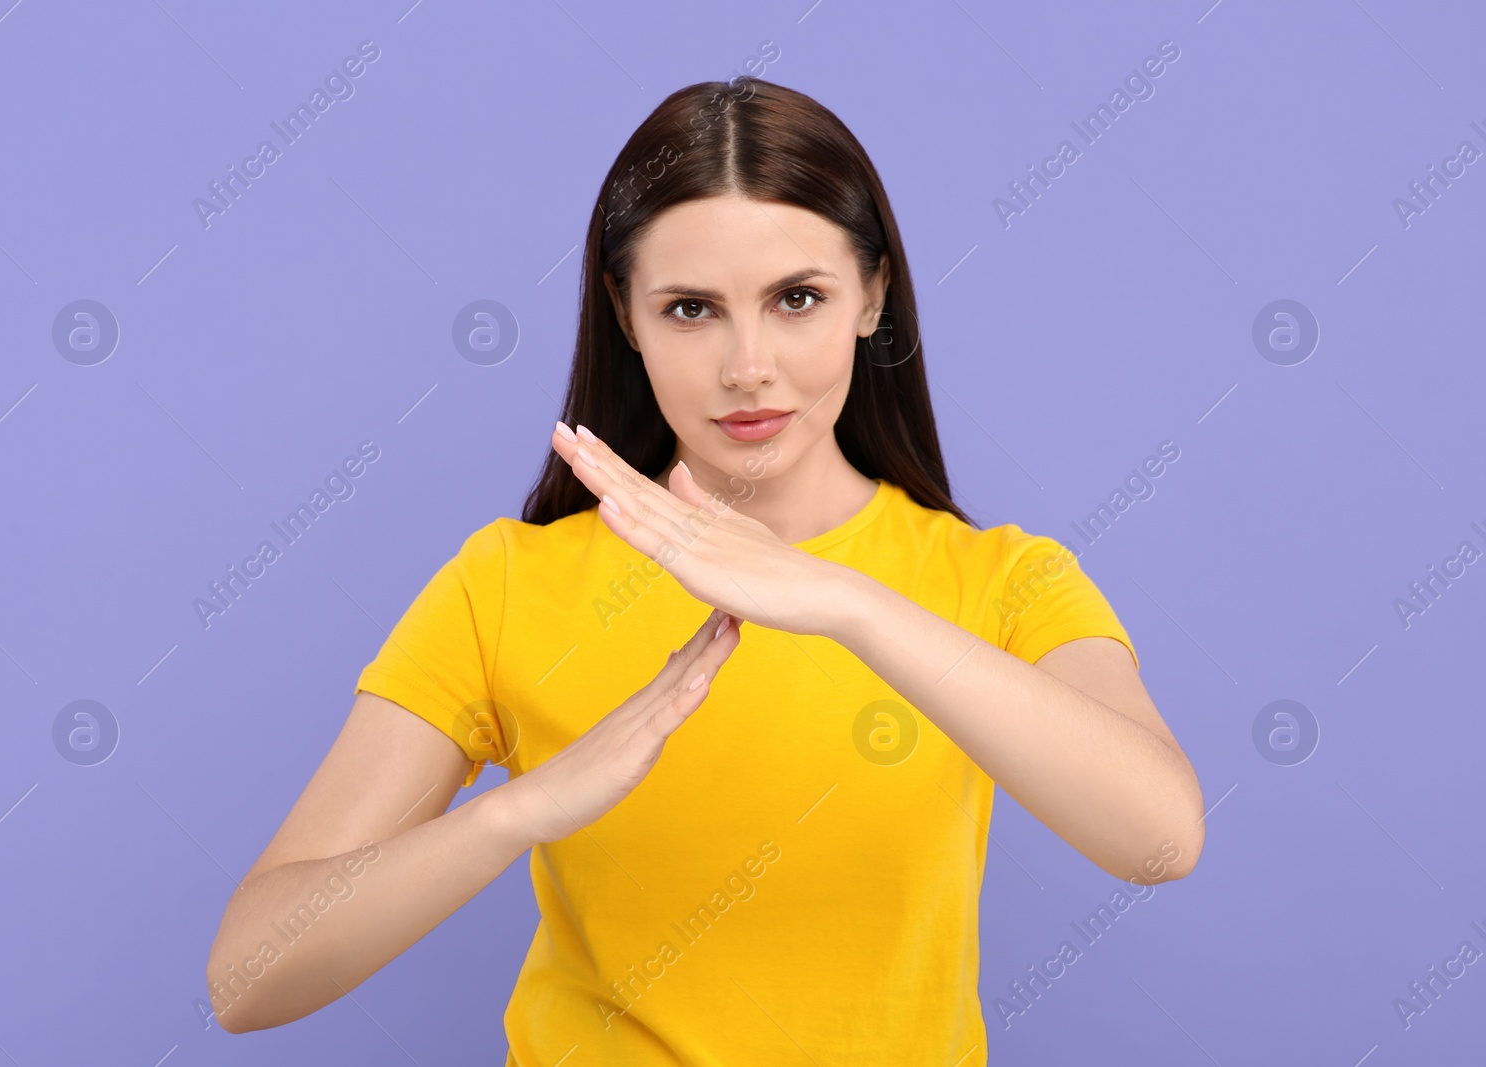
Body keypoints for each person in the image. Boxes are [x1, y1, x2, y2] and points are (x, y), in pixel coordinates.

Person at [205, 77, 1204, 1064]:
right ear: (626, 315)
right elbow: (247, 978)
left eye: (797, 298)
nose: (747, 365)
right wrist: (520, 809)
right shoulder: (507, 582)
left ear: (873, 295)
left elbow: (1160, 839)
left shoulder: (1002, 580)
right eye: (690, 308)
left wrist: (843, 599)